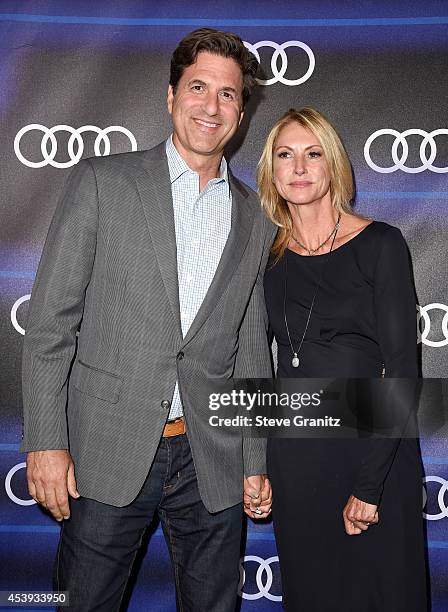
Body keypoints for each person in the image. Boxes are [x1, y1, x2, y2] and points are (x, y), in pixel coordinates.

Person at [21, 28, 275, 612]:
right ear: (170, 95)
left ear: (241, 110)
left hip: (210, 459)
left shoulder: (256, 218)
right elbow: (51, 326)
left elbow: (252, 354)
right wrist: (46, 442)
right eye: (198, 87)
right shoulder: (102, 182)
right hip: (106, 450)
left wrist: (255, 459)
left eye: (229, 94)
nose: (211, 107)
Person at [259, 108, 428, 611]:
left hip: (375, 457)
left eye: (313, 154)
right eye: (285, 155)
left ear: (333, 164)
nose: (300, 167)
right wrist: (256, 463)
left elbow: (402, 371)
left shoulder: (380, 244)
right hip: (297, 464)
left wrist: (369, 485)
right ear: (271, 170)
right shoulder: (265, 257)